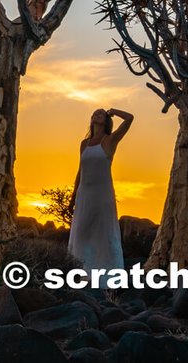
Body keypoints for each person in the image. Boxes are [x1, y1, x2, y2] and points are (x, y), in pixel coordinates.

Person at [67, 107, 133, 271]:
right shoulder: (84, 144)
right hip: (84, 194)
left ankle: (108, 276)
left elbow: (130, 118)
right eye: (95, 112)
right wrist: (73, 196)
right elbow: (80, 170)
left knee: (103, 233)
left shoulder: (110, 140)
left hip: (102, 195)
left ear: (106, 120)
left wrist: (114, 111)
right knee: (81, 233)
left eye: (101, 113)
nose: (97, 113)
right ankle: (82, 273)